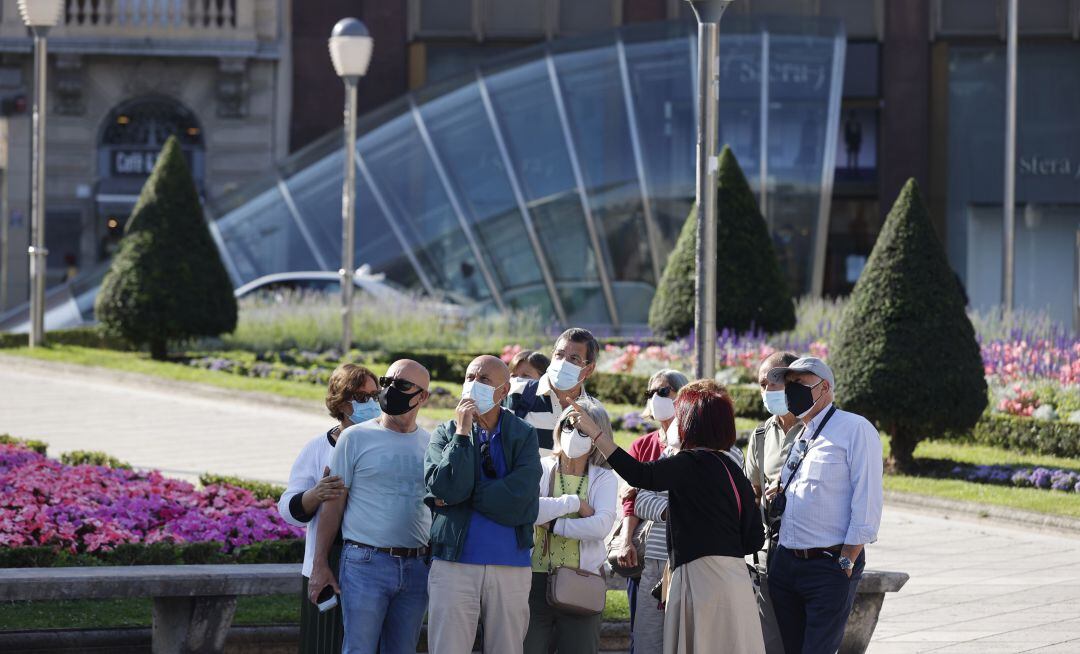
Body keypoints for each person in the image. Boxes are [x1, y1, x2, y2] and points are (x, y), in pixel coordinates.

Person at [584, 380, 766, 654]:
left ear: (691, 421)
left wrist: (596, 434)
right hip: (735, 582)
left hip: (699, 579)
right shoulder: (731, 467)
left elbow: (639, 475)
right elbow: (753, 538)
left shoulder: (690, 462)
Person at [307, 360, 433, 654]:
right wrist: (320, 563)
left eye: (401, 386)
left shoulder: (431, 444)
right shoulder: (354, 438)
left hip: (417, 567)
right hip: (366, 564)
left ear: (423, 396)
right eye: (386, 382)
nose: (390, 390)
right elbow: (333, 506)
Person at [763, 357, 883, 654]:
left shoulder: (855, 428)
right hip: (787, 564)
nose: (791, 391)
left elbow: (867, 501)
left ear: (825, 387)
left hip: (828, 566)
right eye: (788, 385)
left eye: (800, 384)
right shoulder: (804, 433)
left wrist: (845, 563)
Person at [425, 355, 542, 654]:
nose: (473, 385)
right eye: (469, 377)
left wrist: (466, 495)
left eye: (484, 380)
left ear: (503, 392)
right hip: (454, 565)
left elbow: (522, 496)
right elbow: (445, 486)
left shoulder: (523, 434)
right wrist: (463, 435)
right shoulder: (445, 433)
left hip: (510, 565)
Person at [278, 363, 380, 654]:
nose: (371, 403)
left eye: (375, 395)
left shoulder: (386, 443)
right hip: (329, 563)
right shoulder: (318, 448)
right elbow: (288, 509)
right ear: (341, 401)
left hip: (373, 562)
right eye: (361, 397)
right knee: (325, 643)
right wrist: (316, 494)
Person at [524, 397, 618, 654]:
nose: (572, 434)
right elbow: (530, 510)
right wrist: (574, 503)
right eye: (567, 425)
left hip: (582, 581)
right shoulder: (543, 467)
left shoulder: (604, 477)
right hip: (536, 580)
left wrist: (553, 524)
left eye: (582, 429)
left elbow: (600, 526)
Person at [615, 369, 689, 654]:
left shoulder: (692, 445)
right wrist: (626, 539)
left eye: (664, 391)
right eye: (652, 392)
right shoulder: (642, 445)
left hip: (682, 555)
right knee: (644, 634)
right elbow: (631, 500)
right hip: (646, 550)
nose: (656, 398)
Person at [745, 351, 801, 654]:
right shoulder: (762, 434)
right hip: (771, 553)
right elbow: (751, 492)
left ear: (794, 381)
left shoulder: (818, 428)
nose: (765, 391)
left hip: (811, 552)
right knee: (772, 643)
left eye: (772, 382)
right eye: (761, 384)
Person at [505, 328, 602, 451]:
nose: (562, 363)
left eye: (574, 359)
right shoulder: (516, 392)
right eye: (559, 355)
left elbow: (598, 463)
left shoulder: (595, 411)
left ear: (589, 369)